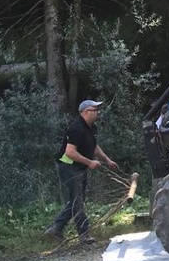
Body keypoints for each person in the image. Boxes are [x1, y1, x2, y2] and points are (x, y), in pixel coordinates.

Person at [44, 100, 119, 244]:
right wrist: (90, 162)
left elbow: (94, 146)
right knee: (77, 201)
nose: (98, 112)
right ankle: (84, 234)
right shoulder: (76, 128)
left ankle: (56, 228)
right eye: (95, 110)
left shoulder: (91, 127)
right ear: (85, 112)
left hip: (78, 167)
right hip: (69, 167)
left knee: (76, 201)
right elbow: (70, 152)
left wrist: (107, 160)